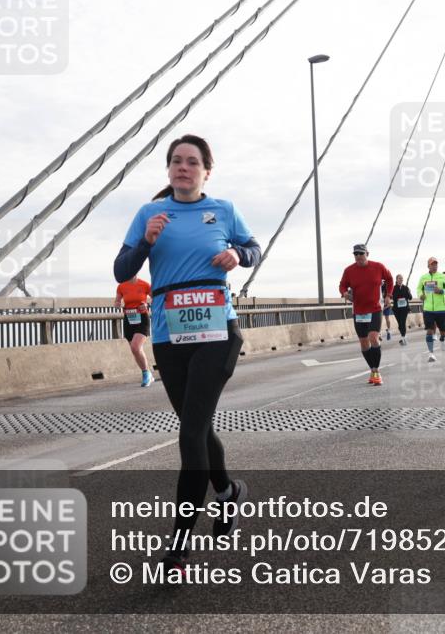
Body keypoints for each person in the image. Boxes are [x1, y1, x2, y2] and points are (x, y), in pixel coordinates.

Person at [114, 134, 260, 574]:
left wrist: (236, 253)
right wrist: (145, 242)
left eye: (192, 161)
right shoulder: (150, 214)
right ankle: (228, 492)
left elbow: (253, 249)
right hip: (169, 335)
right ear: (169, 169)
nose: (183, 167)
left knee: (191, 432)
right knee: (198, 426)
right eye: (176, 161)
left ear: (206, 171)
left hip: (217, 331)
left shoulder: (224, 210)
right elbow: (122, 270)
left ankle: (178, 547)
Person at [339, 244, 393, 385]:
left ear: (367, 254)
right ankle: (373, 370)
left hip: (375, 309)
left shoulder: (378, 267)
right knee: (364, 343)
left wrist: (388, 295)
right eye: (355, 254)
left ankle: (376, 371)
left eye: (361, 253)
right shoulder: (349, 270)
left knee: (373, 337)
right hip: (358, 311)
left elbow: (389, 279)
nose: (358, 256)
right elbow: (342, 285)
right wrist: (344, 293)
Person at [114, 275, 154, 386]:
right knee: (135, 350)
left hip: (142, 319)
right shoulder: (121, 286)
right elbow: (117, 302)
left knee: (135, 347)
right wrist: (117, 304)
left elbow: (155, 298)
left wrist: (146, 305)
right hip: (129, 319)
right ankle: (147, 373)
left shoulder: (145, 284)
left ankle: (146, 374)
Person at [417, 257, 445, 362]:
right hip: (428, 309)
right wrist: (420, 295)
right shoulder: (423, 277)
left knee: (442, 331)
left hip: (441, 309)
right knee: (429, 331)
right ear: (428, 266)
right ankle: (431, 354)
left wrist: (442, 291)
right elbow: (419, 289)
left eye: (436, 264)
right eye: (432, 264)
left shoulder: (443, 277)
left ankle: (442, 338)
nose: (434, 266)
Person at [391, 274, 413, 345]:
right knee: (400, 324)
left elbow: (410, 298)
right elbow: (392, 297)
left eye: (402, 278)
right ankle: (403, 336)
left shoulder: (406, 288)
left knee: (402, 322)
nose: (401, 280)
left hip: (404, 308)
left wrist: (409, 292)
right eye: (399, 278)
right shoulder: (393, 288)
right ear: (396, 280)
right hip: (396, 309)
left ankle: (403, 338)